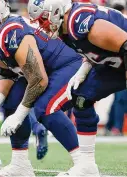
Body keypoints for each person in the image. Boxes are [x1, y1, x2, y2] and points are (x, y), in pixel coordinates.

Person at [0, 0, 96, 176]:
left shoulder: (11, 32)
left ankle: (83, 164)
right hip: (46, 70)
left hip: (67, 64)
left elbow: (39, 80)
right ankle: (20, 165)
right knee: (12, 97)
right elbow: (8, 72)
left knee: (46, 108)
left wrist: (20, 115)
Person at [28, 0, 127, 175]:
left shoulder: (79, 21)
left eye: (42, 19)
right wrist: (85, 67)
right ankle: (87, 166)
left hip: (122, 59)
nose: (40, 25)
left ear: (56, 11)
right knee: (81, 97)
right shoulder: (65, 28)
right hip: (116, 64)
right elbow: (94, 48)